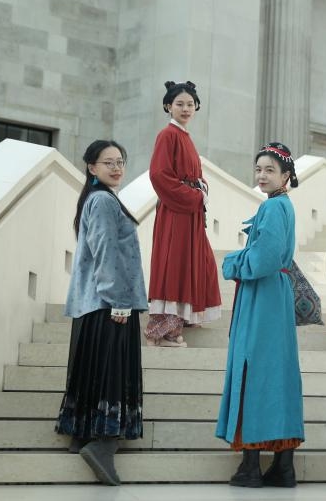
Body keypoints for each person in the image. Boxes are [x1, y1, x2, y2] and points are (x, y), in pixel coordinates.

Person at [55, 140, 146, 486]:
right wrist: (119, 300)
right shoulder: (104, 202)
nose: (116, 167)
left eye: (120, 161)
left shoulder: (95, 201)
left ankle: (82, 436)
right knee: (112, 375)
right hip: (110, 305)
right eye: (108, 162)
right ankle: (104, 445)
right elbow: (107, 252)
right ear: (91, 168)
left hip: (92, 306)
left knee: (94, 371)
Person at [216, 143, 304, 488]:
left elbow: (264, 258)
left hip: (264, 295)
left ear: (285, 176)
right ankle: (283, 465)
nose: (262, 175)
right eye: (258, 169)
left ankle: (251, 465)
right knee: (276, 372)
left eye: (270, 170)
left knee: (255, 369)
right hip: (273, 295)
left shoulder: (273, 209)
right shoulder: (281, 206)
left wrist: (233, 262)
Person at [144, 81, 222, 347]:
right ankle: (165, 330)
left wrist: (200, 189)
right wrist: (193, 196)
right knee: (174, 264)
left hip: (188, 213)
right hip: (176, 212)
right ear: (168, 106)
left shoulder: (185, 137)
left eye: (190, 104)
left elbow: (193, 176)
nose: (186, 108)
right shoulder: (168, 135)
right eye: (180, 104)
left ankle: (183, 318)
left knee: (198, 262)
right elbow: (159, 175)